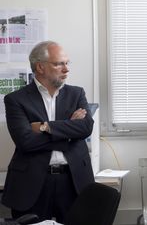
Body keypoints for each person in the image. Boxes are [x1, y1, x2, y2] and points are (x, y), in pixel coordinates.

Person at [1, 41, 95, 223]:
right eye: (59, 63)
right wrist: (68, 131)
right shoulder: (15, 99)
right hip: (32, 182)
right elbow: (25, 142)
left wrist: (45, 127)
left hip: (74, 180)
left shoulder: (77, 94)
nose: (66, 69)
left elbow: (85, 128)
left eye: (67, 63)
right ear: (40, 67)